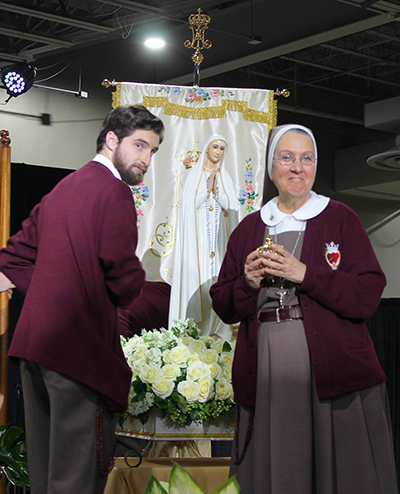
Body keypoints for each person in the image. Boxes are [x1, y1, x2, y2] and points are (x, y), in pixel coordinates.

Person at [210, 124, 398, 493]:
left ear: (314, 165)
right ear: (271, 166)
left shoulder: (340, 218)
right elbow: (223, 304)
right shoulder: (249, 228)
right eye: (287, 157)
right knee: (279, 463)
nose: (297, 167)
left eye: (306, 158)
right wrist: (246, 283)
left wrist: (305, 274)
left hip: (331, 364)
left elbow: (367, 293)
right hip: (265, 363)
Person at [0, 104, 164, 494]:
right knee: (76, 478)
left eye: (153, 151)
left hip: (35, 351)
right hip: (77, 352)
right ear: (112, 140)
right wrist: (121, 287)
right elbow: (123, 278)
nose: (145, 159)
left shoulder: (62, 189)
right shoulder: (115, 193)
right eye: (140, 145)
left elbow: (11, 257)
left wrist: (52, 290)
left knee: (45, 475)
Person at [169, 134, 238, 340]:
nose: (218, 151)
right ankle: (194, 332)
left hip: (218, 242)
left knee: (218, 279)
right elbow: (186, 207)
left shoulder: (225, 177)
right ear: (207, 148)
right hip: (196, 243)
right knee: (196, 280)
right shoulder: (194, 176)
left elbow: (232, 209)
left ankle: (219, 330)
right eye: (215, 146)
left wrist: (218, 193)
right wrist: (205, 190)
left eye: (222, 148)